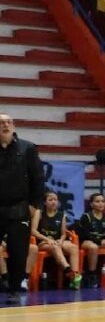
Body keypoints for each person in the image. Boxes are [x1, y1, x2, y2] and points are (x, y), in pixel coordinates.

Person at [0, 113, 43, 304]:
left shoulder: (27, 148)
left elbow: (38, 179)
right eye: (1, 123)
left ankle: (15, 288)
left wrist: (34, 205)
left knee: (18, 251)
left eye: (8, 122)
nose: (5, 125)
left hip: (19, 207)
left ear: (14, 126)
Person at [29, 190, 81, 289]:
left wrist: (61, 240)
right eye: (50, 200)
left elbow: (63, 234)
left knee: (73, 247)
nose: (53, 202)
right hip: (43, 242)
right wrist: (46, 239)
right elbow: (33, 231)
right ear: (45, 202)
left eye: (55, 200)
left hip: (57, 241)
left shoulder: (62, 215)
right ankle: (68, 270)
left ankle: (74, 278)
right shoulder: (39, 213)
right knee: (55, 247)